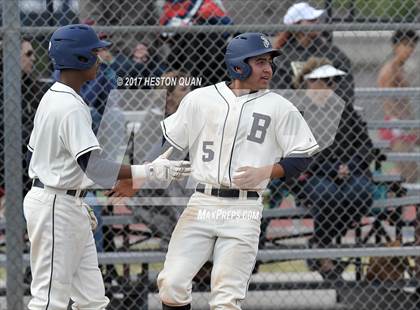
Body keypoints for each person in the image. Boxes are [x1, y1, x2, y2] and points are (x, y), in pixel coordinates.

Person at [23, 24, 191, 309]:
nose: (100, 59)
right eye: (95, 53)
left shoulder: (56, 96)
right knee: (49, 300)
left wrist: (73, 195)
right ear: (79, 59)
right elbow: (95, 167)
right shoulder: (68, 105)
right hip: (56, 206)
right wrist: (149, 171)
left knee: (92, 300)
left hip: (65, 203)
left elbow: (44, 158)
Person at [155, 32, 319, 310]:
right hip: (202, 203)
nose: (268, 68)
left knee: (226, 298)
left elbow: (302, 156)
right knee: (171, 283)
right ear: (237, 65)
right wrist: (143, 175)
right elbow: (168, 142)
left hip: (244, 209)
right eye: (259, 61)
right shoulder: (201, 98)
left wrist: (267, 170)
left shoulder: (279, 106)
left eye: (269, 61)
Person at [292, 57, 375, 279]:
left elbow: (366, 145)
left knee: (362, 193)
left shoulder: (344, 109)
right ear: (310, 82)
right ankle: (323, 251)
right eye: (325, 81)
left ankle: (320, 243)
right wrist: (332, 168)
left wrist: (352, 164)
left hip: (350, 173)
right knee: (327, 194)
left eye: (333, 81)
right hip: (315, 176)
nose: (331, 86)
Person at [271, 2, 354, 105]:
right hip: (296, 112)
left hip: (331, 110)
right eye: (311, 20)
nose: (317, 22)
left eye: (316, 19)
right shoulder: (282, 56)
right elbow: (280, 90)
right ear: (296, 24)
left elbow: (346, 85)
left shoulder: (331, 51)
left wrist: (331, 103)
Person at [377, 29, 419, 182]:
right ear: (396, 46)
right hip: (396, 125)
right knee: (409, 174)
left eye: (412, 45)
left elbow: (405, 102)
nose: (410, 49)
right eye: (406, 45)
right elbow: (390, 103)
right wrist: (407, 125)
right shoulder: (390, 70)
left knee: (409, 172)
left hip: (405, 122)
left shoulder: (400, 68)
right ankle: (391, 194)